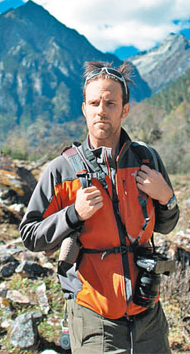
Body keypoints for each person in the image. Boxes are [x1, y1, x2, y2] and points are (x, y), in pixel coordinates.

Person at [19, 61, 179, 353]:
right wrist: (73, 214)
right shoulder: (62, 170)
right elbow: (31, 235)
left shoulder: (147, 160)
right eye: (94, 103)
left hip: (148, 314)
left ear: (124, 110)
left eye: (110, 103)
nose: (101, 110)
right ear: (84, 109)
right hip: (93, 315)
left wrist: (167, 197)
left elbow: (166, 225)